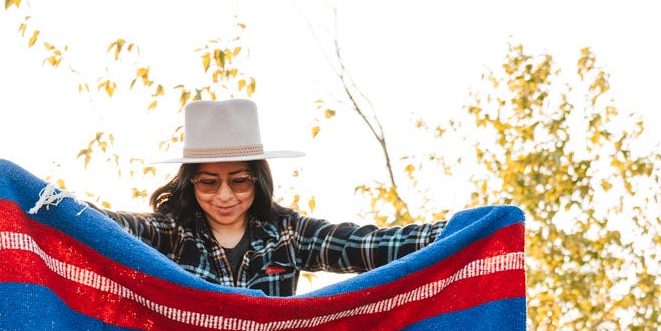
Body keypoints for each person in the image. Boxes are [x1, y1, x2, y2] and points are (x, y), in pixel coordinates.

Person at [104, 98, 443, 298]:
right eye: (208, 183)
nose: (224, 196)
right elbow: (107, 226)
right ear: (189, 183)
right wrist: (54, 208)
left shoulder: (288, 234)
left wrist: (464, 231)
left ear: (259, 180)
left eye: (239, 181)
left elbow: (369, 245)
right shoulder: (171, 233)